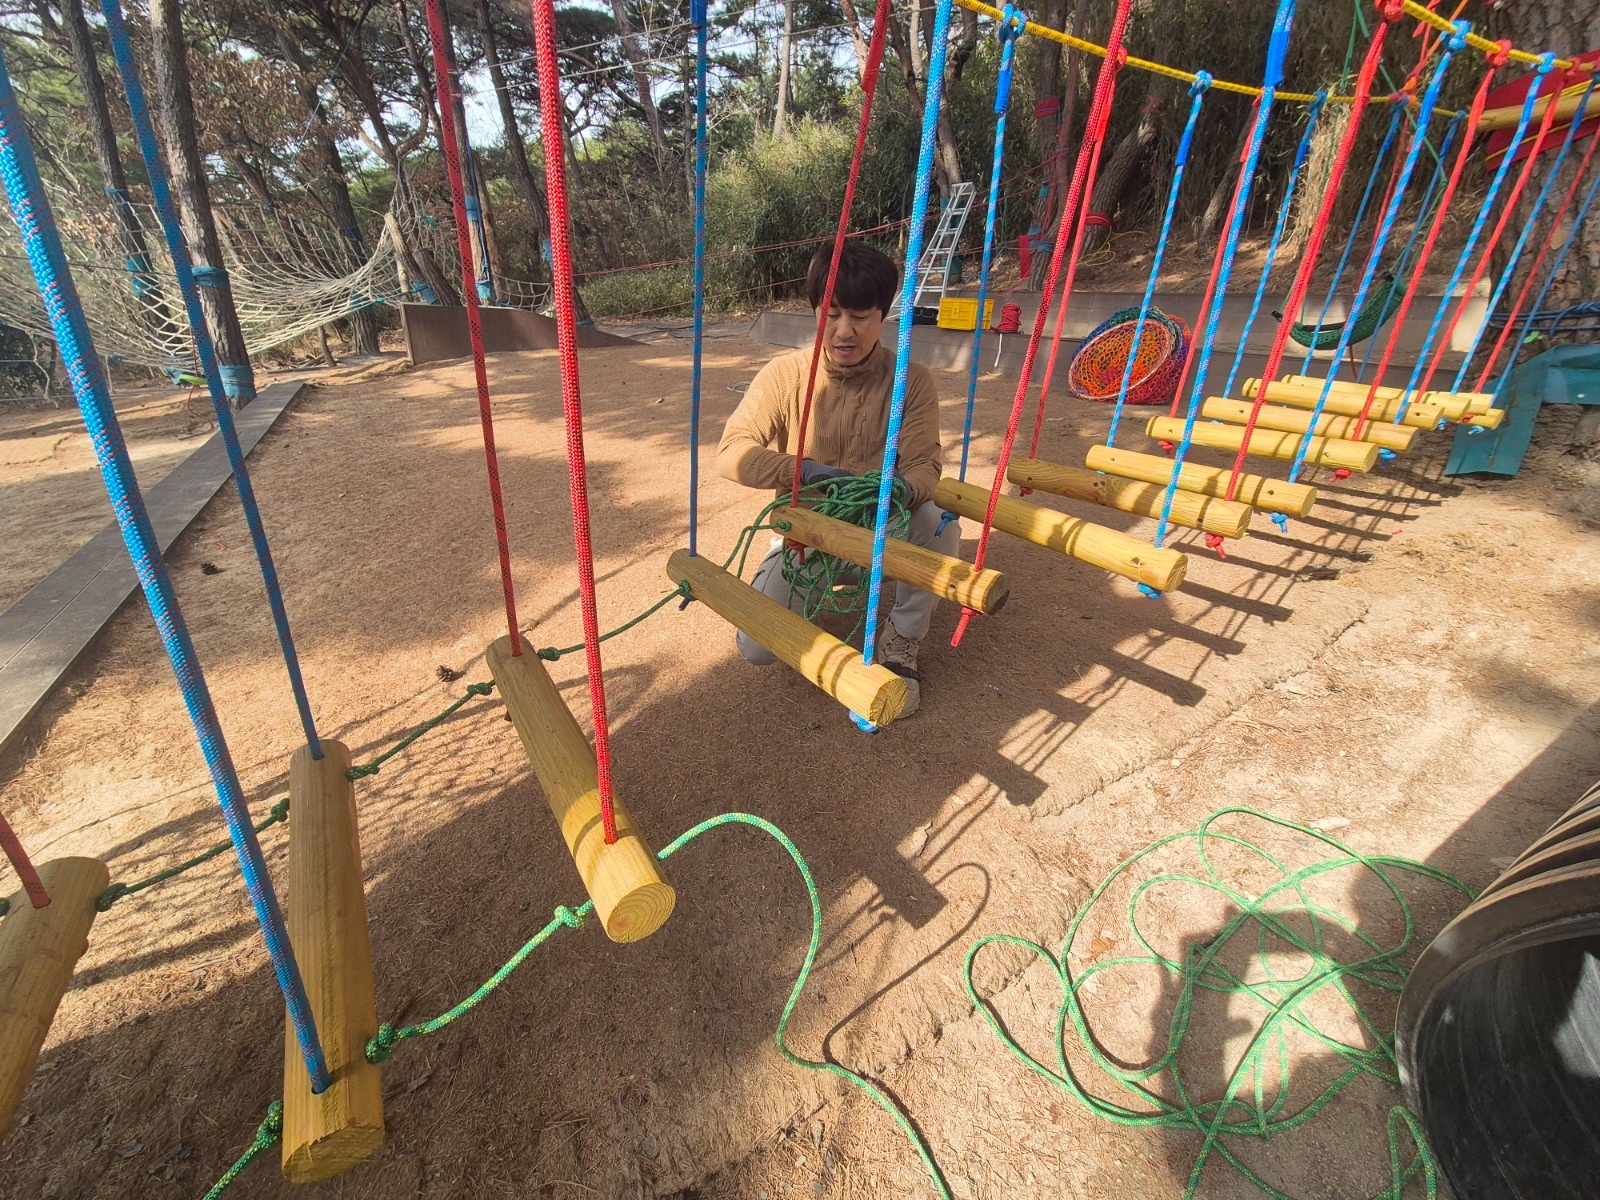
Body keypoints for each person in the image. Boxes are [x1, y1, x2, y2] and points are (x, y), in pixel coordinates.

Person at [717, 241, 957, 717]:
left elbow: (924, 462)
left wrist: (900, 491)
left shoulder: (912, 379)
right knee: (757, 648)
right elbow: (732, 452)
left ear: (883, 315)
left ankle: (901, 642)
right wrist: (804, 471)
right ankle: (801, 581)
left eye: (861, 315)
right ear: (815, 312)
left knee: (938, 521)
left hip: (881, 531)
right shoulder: (784, 375)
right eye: (831, 314)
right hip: (807, 535)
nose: (843, 331)